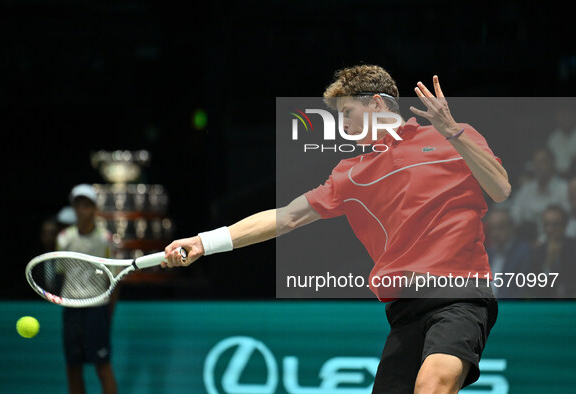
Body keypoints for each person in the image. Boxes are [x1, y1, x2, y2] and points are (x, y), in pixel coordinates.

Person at [163, 65, 511, 393]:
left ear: (376, 104)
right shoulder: (349, 174)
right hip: (406, 308)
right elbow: (285, 217)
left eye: (347, 113)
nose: (342, 124)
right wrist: (205, 242)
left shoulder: (453, 137)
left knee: (433, 384)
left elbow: (500, 188)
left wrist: (454, 132)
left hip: (461, 293)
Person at [56, 184, 118, 394]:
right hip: (71, 309)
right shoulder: (64, 238)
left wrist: (108, 313)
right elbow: (61, 273)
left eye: (87, 205)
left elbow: (114, 281)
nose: (82, 210)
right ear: (73, 208)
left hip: (97, 309)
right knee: (72, 368)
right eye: (78, 205)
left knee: (102, 366)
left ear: (94, 209)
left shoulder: (106, 239)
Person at [510, 147, 570, 241]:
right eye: (535, 162)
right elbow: (515, 217)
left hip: (556, 241)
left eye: (543, 161)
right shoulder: (526, 189)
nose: (538, 166)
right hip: (527, 242)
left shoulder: (564, 189)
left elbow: (568, 222)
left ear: (553, 164)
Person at [527, 205, 576, 298]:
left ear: (564, 225)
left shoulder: (573, 248)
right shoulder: (536, 252)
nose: (550, 229)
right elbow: (535, 288)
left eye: (555, 224)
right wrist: (548, 264)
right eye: (546, 224)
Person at [484, 208, 532, 298]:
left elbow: (522, 290)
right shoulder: (487, 254)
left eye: (500, 227)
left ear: (511, 227)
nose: (495, 234)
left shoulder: (523, 252)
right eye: (491, 229)